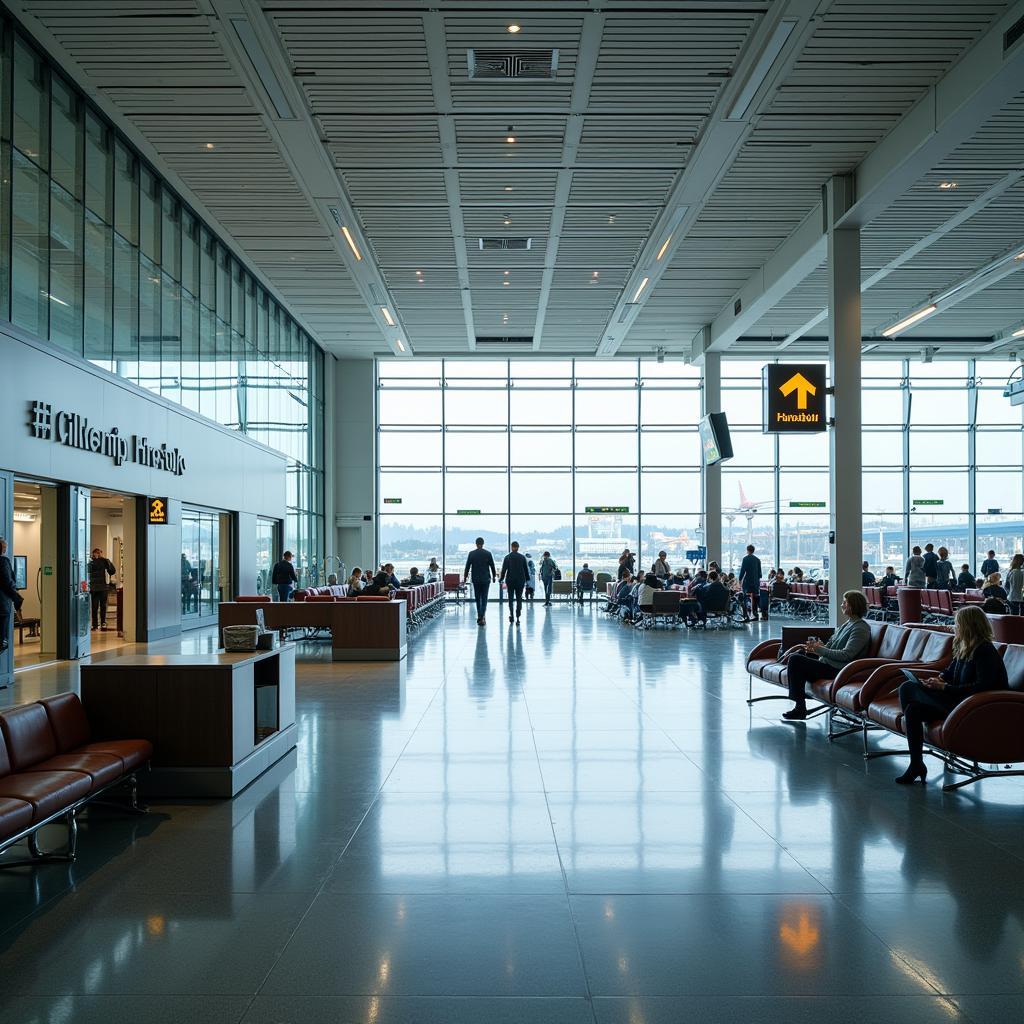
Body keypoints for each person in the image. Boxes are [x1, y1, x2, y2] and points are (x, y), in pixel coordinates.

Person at [896, 604, 1008, 784]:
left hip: (971, 707)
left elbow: (983, 687)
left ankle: (915, 757)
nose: (954, 627)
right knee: (912, 710)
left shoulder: (985, 650)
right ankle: (916, 764)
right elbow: (949, 672)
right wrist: (937, 680)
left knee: (907, 688)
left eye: (958, 624)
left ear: (969, 626)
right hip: (956, 701)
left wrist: (944, 688)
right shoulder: (965, 648)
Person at [782, 590, 871, 721]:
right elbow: (832, 646)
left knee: (796, 660)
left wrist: (821, 650)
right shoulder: (847, 624)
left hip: (839, 670)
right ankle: (800, 704)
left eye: (844, 603)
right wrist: (819, 647)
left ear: (853, 606)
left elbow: (846, 655)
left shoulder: (860, 629)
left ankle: (800, 706)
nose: (841, 605)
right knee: (800, 654)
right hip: (829, 663)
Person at [463, 537, 497, 625]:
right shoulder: (488, 554)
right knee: (484, 598)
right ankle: (482, 616)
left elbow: (467, 567)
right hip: (486, 579)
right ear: (483, 543)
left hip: (476, 579)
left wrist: (465, 577)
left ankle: (480, 615)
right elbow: (492, 566)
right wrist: (494, 577)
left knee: (478, 598)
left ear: (476, 544)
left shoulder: (471, 554)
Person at [0, 537, 23, 654]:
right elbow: (8, 583)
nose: (4, 550)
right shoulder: (3, 562)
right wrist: (17, 598)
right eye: (3, 548)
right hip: (2, 605)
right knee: (2, 640)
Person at [499, 541, 529, 625]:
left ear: (512, 547)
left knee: (511, 599)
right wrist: (527, 580)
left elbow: (504, 570)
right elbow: (526, 570)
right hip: (520, 581)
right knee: (519, 598)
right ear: (518, 547)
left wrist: (501, 579)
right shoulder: (522, 557)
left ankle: (511, 615)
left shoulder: (507, 557)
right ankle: (518, 617)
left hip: (510, 580)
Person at [87, 547, 117, 630]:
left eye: (99, 553)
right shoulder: (91, 562)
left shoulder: (102, 561)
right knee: (97, 606)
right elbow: (112, 571)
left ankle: (98, 624)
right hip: (97, 588)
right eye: (96, 553)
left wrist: (106, 561)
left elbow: (112, 571)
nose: (98, 554)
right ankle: (98, 624)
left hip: (99, 587)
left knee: (99, 606)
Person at [738, 544, 763, 621]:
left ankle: (746, 615)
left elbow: (743, 570)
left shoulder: (745, 559)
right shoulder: (757, 560)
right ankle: (755, 615)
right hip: (755, 582)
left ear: (747, 550)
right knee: (755, 597)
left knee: (745, 597)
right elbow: (760, 574)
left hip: (747, 581)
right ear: (753, 550)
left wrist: (740, 579)